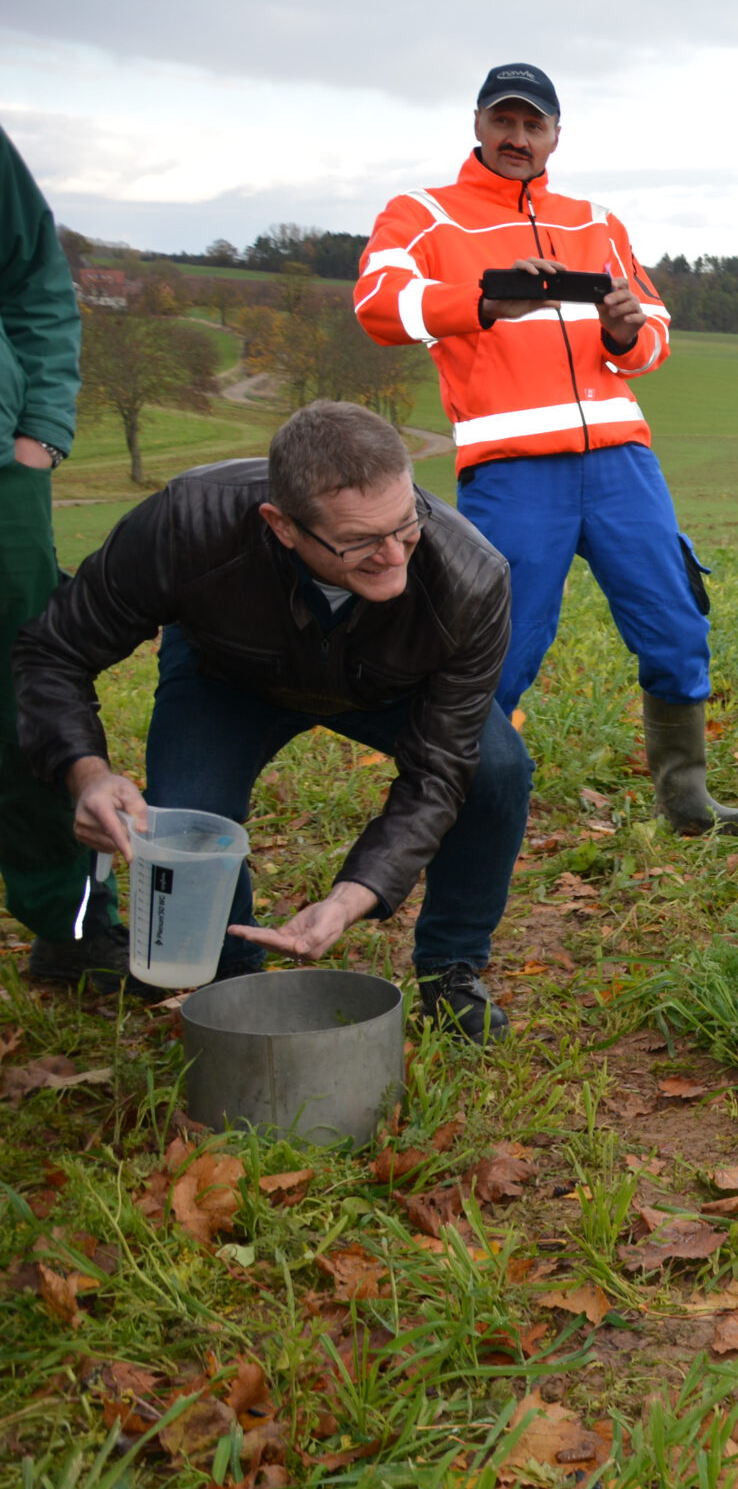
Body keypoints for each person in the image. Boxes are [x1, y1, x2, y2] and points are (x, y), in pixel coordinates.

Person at [15, 401, 528, 1042]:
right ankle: (233, 977)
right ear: (281, 526)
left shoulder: (470, 578)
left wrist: (352, 896)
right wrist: (85, 774)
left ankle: (451, 968)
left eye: (406, 524)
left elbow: (439, 772)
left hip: (390, 690)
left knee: (497, 767)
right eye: (360, 541)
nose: (394, 556)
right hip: (228, 678)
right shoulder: (186, 524)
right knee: (190, 811)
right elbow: (54, 650)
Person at [352, 62, 738, 836]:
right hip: (512, 471)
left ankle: (688, 801)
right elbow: (378, 303)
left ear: (556, 136)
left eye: (533, 124)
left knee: (677, 625)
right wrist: (479, 302)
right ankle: (447, 805)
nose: (517, 137)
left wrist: (624, 329)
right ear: (477, 125)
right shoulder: (423, 214)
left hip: (620, 460)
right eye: (504, 122)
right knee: (499, 652)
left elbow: (653, 338)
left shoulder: (596, 220)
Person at [0, 125, 122, 992]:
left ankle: (70, 924)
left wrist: (39, 428)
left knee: (24, 684)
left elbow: (38, 279)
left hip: (2, 472)